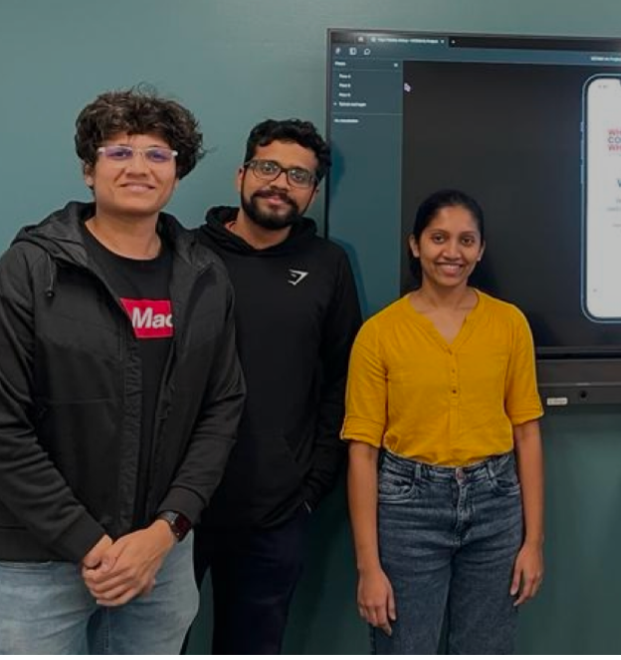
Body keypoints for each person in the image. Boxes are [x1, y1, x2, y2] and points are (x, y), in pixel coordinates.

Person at [0, 87, 244, 654]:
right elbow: (4, 426)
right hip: (39, 563)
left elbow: (222, 407)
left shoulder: (205, 277)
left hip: (159, 558)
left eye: (158, 155)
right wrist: (91, 543)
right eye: (119, 152)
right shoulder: (29, 269)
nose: (140, 167)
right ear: (89, 170)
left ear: (176, 175)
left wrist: (165, 532)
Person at [344, 190, 545, 654]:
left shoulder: (509, 324)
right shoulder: (379, 333)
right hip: (408, 509)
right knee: (404, 646)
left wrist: (533, 542)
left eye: (466, 240)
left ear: (480, 250)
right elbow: (362, 451)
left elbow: (527, 433)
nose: (452, 252)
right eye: (438, 238)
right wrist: (368, 568)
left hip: (496, 505)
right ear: (415, 245)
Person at [192, 119, 362, 654]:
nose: (279, 183)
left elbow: (343, 377)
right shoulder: (185, 255)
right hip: (174, 509)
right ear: (242, 173)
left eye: (298, 175)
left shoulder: (328, 265)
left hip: (275, 512)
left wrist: (311, 487)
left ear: (313, 192)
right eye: (268, 167)